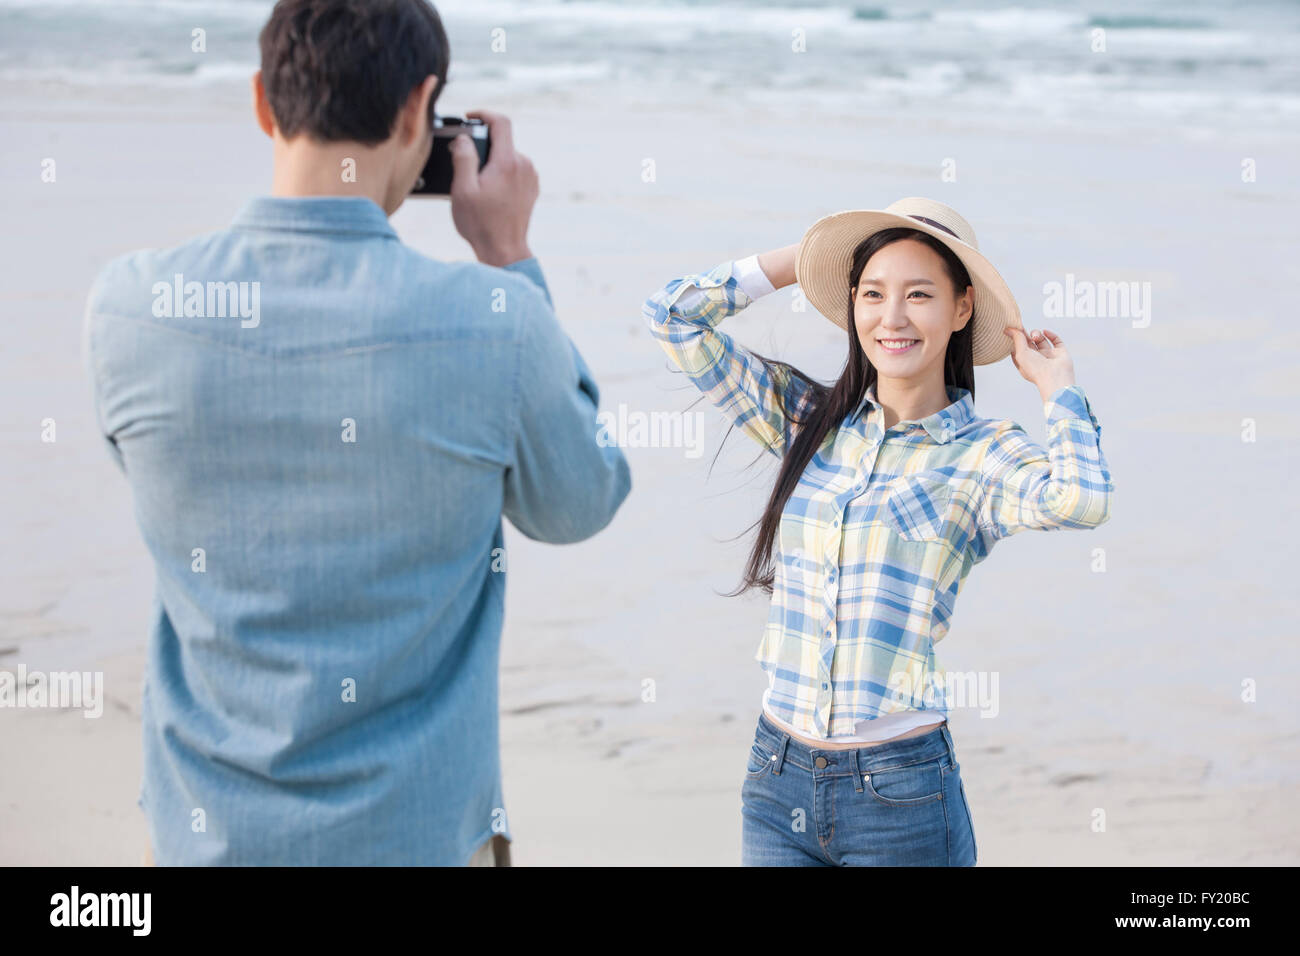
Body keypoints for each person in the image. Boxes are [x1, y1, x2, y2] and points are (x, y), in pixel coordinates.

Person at [83, 0, 630, 866]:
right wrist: (511, 260)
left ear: (264, 102)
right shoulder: (496, 324)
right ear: (419, 109)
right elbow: (580, 499)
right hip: (419, 839)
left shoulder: (129, 310)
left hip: (206, 837)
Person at [643, 197, 1113, 866]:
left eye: (918, 294)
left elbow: (1082, 501)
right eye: (871, 293)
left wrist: (1056, 388)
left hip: (901, 794)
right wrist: (801, 263)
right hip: (777, 778)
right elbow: (673, 316)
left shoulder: (981, 454)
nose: (891, 317)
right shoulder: (806, 419)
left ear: (961, 309)